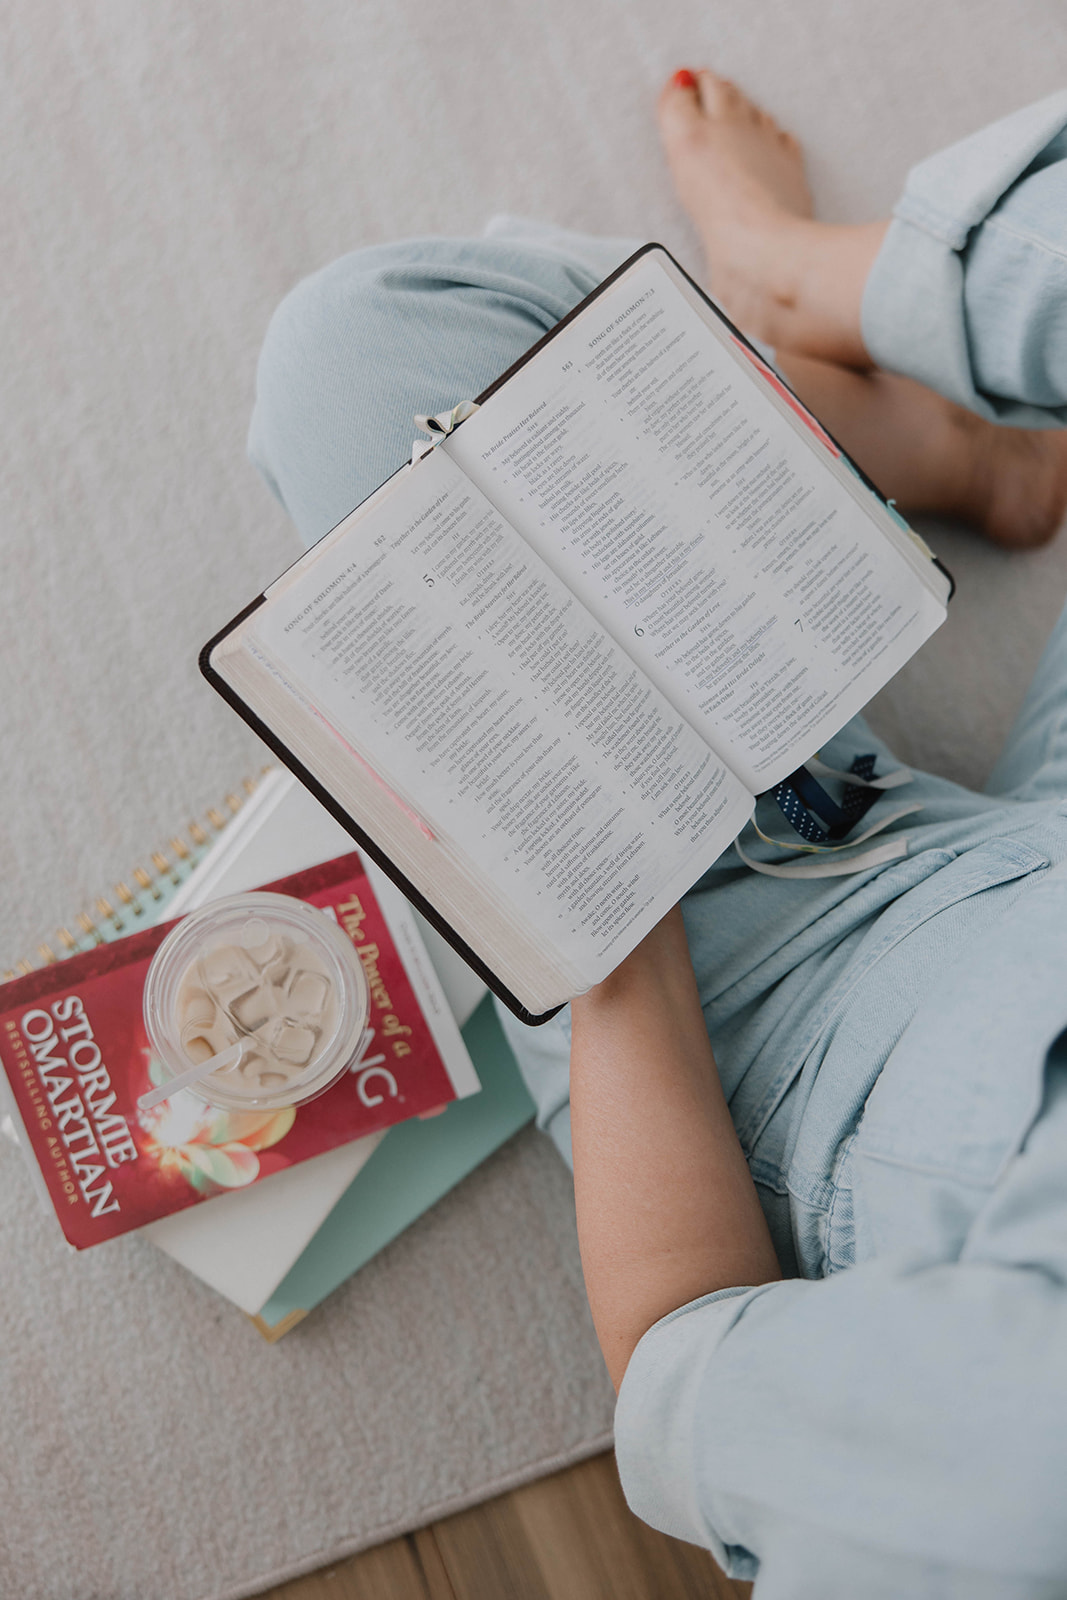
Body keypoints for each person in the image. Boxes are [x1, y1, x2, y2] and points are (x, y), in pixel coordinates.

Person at [248, 75, 1067, 1597]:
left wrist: (605, 902)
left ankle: (889, 398)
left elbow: (685, 1350)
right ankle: (852, 319)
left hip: (798, 988)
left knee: (365, 344)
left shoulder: (1012, 1502)